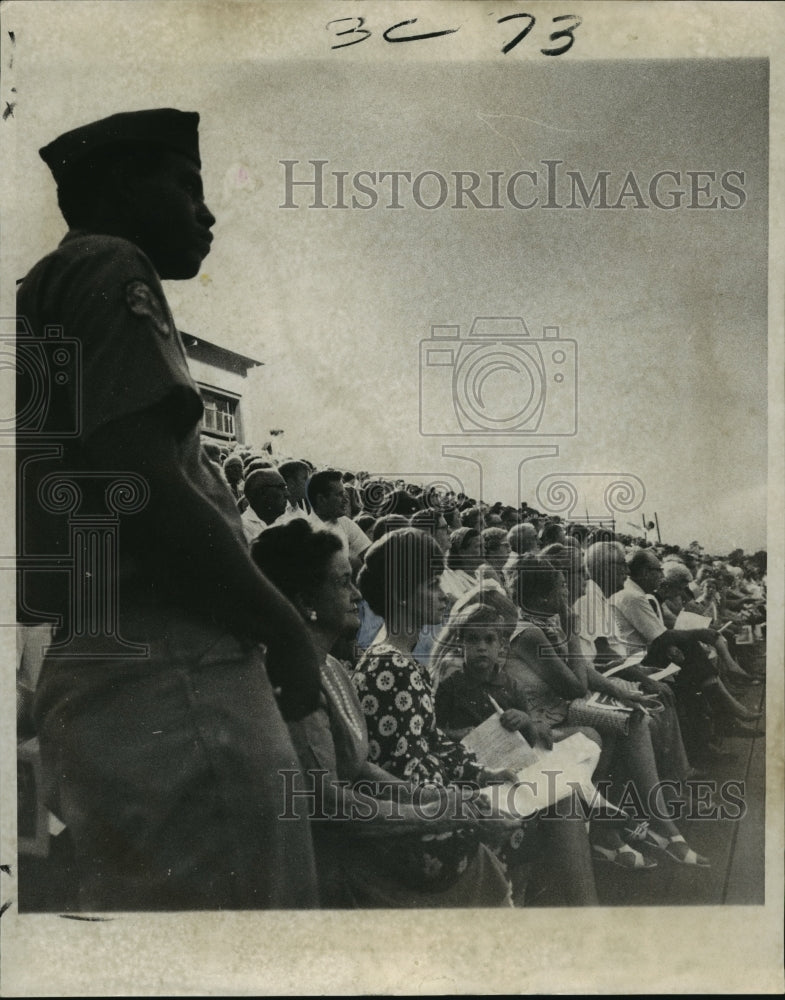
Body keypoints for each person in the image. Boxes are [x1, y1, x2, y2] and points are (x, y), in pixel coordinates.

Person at [17, 108, 320, 910]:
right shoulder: (107, 264)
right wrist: (285, 625)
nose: (206, 210)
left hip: (113, 666)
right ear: (121, 184)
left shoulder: (55, 283)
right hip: (171, 665)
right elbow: (143, 484)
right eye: (186, 185)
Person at [251, 520, 511, 907]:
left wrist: (442, 799)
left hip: (364, 830)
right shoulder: (294, 678)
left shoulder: (333, 668)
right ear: (306, 601)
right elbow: (330, 804)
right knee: (472, 843)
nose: (357, 594)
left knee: (476, 825)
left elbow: (363, 770)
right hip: (334, 858)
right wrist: (436, 813)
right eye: (342, 583)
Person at [505, 554, 710, 868]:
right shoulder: (530, 633)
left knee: (632, 717)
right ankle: (651, 827)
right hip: (542, 723)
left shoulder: (544, 623)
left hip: (563, 712)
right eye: (561, 588)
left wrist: (624, 694)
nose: (566, 593)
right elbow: (574, 686)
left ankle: (624, 829)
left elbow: (585, 671)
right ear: (543, 596)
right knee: (619, 728)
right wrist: (572, 630)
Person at [307, 469, 370, 570]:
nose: (346, 500)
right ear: (321, 499)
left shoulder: (344, 522)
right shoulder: (305, 530)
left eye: (344, 494)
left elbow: (369, 554)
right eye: (339, 495)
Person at [240, 466, 289, 542]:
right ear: (262, 492)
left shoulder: (287, 522)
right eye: (281, 487)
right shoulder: (242, 529)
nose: (287, 494)